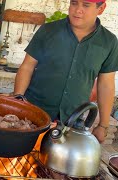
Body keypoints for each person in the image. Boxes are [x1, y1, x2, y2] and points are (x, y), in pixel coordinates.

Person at [14, 0, 118, 143]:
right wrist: (18, 99)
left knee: (57, 163)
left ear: (101, 8)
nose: (77, 10)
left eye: (86, 5)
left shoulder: (109, 42)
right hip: (34, 113)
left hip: (73, 120)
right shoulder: (48, 30)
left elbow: (106, 84)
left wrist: (103, 125)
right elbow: (27, 66)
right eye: (74, 3)